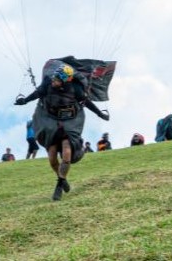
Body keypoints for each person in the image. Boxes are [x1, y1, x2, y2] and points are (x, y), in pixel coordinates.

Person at [14, 60, 111, 201]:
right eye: (54, 78)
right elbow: (38, 93)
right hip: (50, 120)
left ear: (66, 80)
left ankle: (59, 185)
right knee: (52, 158)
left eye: (58, 80)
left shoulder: (75, 89)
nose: (54, 81)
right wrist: (25, 101)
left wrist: (100, 114)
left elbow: (86, 102)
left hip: (70, 121)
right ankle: (62, 178)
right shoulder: (48, 83)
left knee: (67, 152)